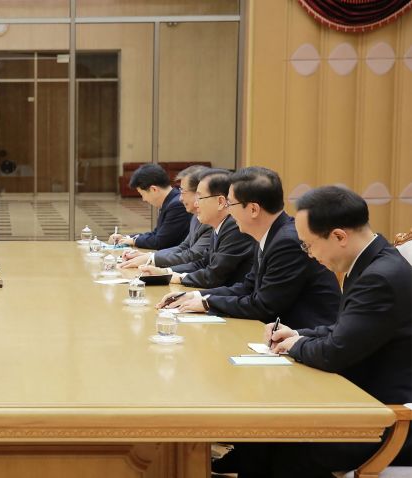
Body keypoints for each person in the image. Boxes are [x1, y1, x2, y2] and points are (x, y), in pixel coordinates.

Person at [213, 186, 412, 477]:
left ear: (339, 236)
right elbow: (348, 328)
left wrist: (293, 346)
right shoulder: (375, 262)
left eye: (308, 245)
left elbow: (334, 353)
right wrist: (300, 334)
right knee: (262, 437)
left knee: (281, 446)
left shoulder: (379, 277)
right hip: (361, 399)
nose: (309, 254)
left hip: (381, 416)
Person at [159, 167, 339, 330]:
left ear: (253, 209)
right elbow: (247, 287)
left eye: (230, 204)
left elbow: (263, 305)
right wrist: (196, 296)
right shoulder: (271, 234)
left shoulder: (286, 242)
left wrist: (207, 303)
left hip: (307, 337)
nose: (228, 211)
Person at [138, 169, 254, 288]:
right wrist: (164, 272)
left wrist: (175, 277)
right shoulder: (219, 225)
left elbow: (212, 277)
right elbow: (202, 264)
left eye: (200, 197)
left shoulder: (233, 227)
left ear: (220, 202)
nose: (196, 203)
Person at [121, 165, 212, 269]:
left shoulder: (177, 205)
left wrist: (152, 260)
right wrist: (149, 256)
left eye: (183, 192)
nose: (181, 198)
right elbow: (184, 247)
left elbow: (161, 242)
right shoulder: (195, 216)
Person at [108, 163, 191, 250]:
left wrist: (133, 241)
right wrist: (126, 238)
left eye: (142, 194)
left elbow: (160, 242)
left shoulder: (177, 205)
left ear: (153, 189)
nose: (144, 199)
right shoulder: (170, 201)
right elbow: (156, 234)